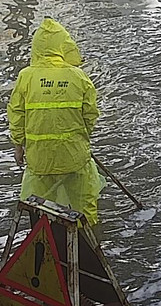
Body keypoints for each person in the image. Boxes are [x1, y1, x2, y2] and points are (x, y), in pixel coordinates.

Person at [7, 18, 104, 225]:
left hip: (39, 158)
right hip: (74, 156)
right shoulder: (78, 77)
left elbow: (16, 114)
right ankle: (89, 247)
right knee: (84, 207)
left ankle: (44, 244)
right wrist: (81, 138)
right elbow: (91, 115)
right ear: (63, 45)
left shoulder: (26, 77)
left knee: (40, 207)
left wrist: (18, 146)